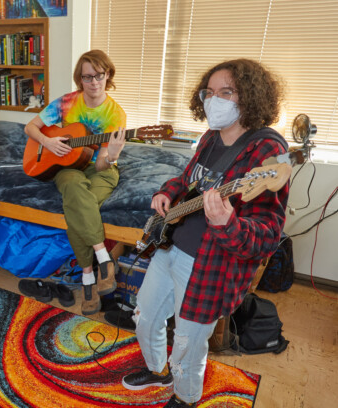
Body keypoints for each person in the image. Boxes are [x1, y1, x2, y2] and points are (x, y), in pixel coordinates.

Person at [121, 59, 289, 407]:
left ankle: (185, 398)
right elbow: (187, 180)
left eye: (226, 92)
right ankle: (156, 371)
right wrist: (165, 192)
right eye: (209, 93)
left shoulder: (267, 152)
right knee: (145, 317)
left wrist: (228, 223)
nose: (215, 100)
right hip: (169, 245)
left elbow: (267, 234)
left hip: (207, 266)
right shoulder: (210, 137)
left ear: (250, 97)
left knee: (188, 344)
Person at [24, 49, 127, 315]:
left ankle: (88, 276)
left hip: (100, 170)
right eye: (87, 77)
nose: (93, 82)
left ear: (108, 75)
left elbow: (102, 162)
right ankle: (102, 258)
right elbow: (30, 128)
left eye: (99, 76)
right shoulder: (67, 102)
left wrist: (112, 155)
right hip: (68, 167)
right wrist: (47, 141)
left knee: (79, 203)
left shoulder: (115, 115)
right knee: (71, 186)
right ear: (79, 79)